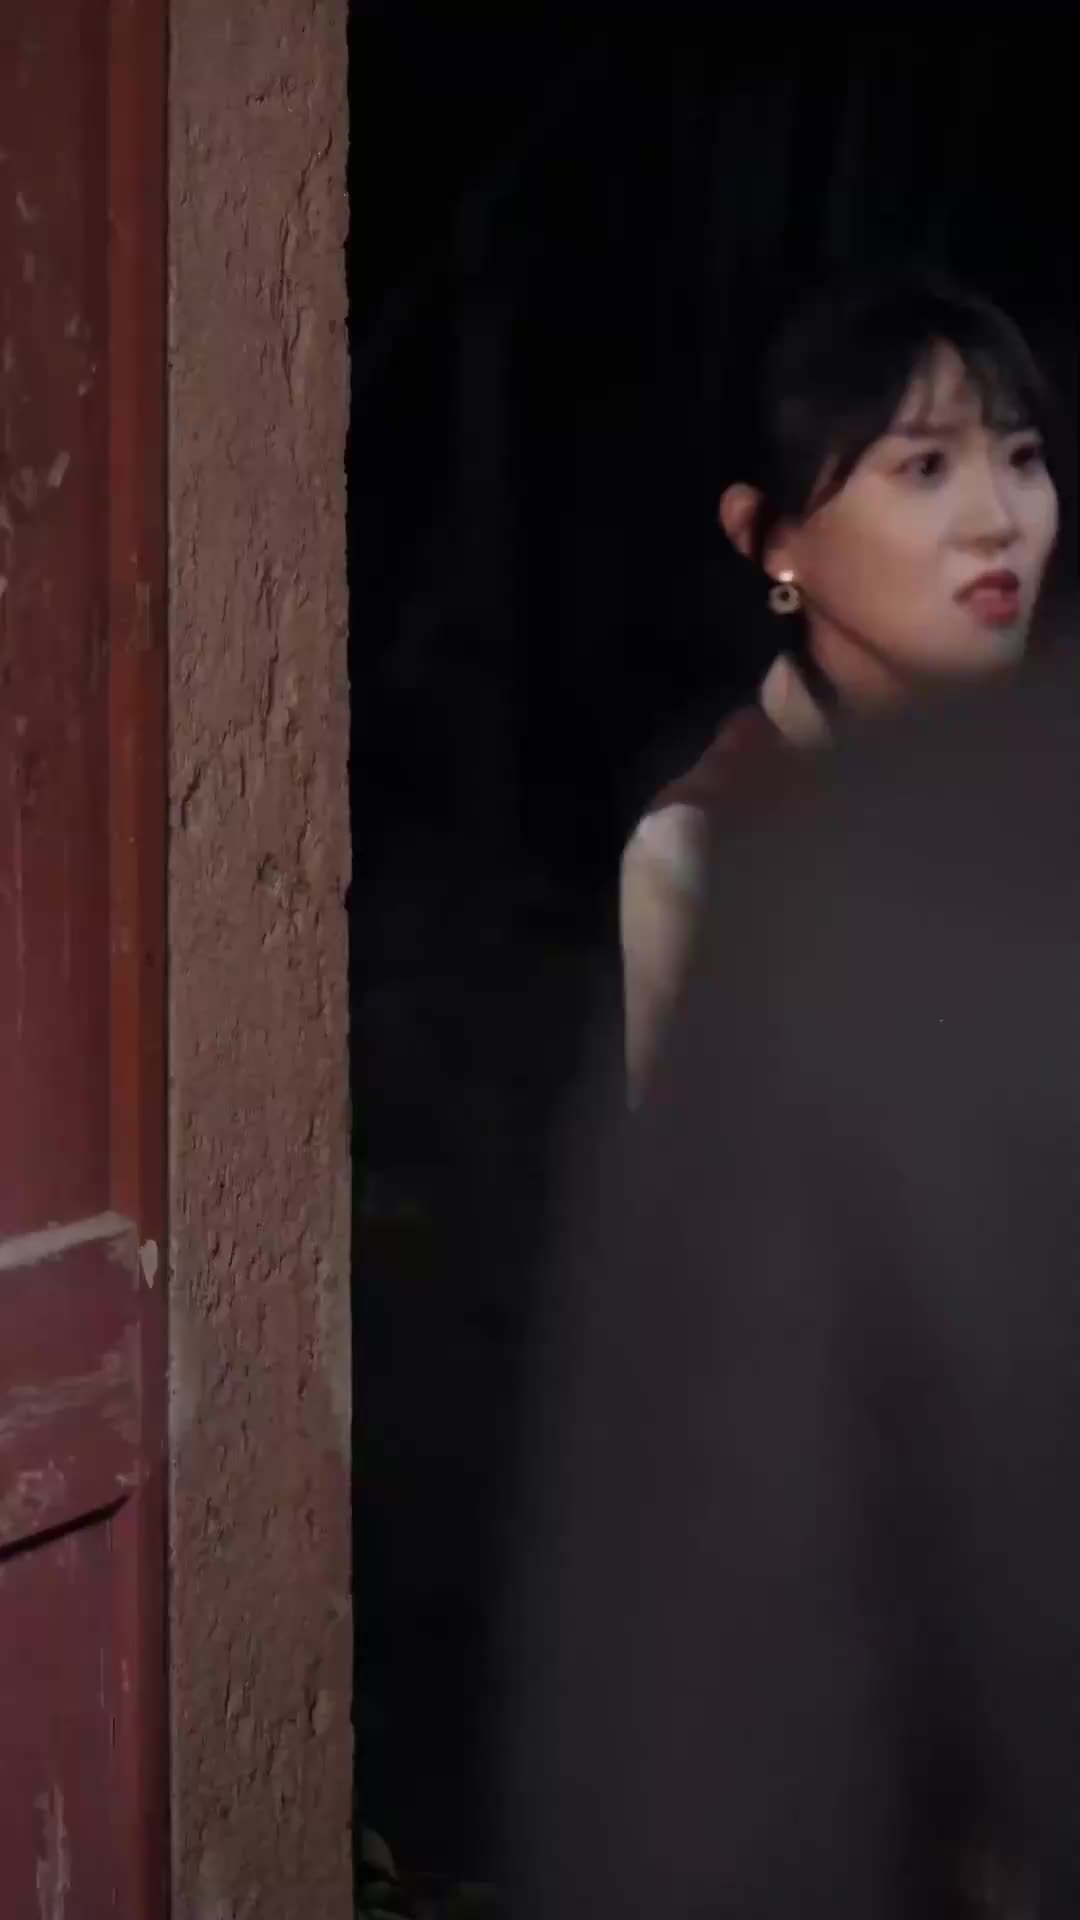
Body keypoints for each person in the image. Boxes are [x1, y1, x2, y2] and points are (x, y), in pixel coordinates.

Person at [510, 648, 1080, 1918]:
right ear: (775, 555)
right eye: (922, 482)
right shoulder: (764, 863)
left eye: (1018, 478)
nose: (990, 544)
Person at [621, 268, 1061, 1100]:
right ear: (772, 539)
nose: (999, 520)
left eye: (1023, 458)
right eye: (927, 467)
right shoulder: (709, 845)